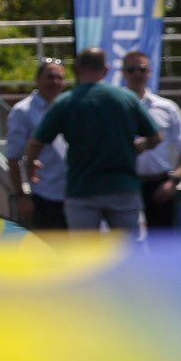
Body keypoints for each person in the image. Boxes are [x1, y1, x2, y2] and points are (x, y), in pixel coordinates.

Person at [20, 47, 163, 239]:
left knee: (85, 252)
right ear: (106, 69)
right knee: (131, 249)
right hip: (122, 187)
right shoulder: (126, 99)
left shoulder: (65, 102)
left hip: (82, 189)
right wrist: (136, 148)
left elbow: (36, 142)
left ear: (77, 69)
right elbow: (156, 138)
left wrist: (30, 166)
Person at [121, 49, 181, 230]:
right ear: (123, 73)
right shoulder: (114, 106)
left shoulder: (166, 107)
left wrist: (174, 181)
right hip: (125, 183)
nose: (137, 74)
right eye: (131, 70)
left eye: (142, 69)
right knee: (125, 242)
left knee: (162, 242)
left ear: (150, 72)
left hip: (159, 185)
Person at [3, 57, 69, 231]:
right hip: (43, 195)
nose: (55, 81)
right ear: (38, 80)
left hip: (72, 194)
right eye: (50, 76)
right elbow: (13, 156)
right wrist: (21, 196)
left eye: (59, 77)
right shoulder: (23, 111)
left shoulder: (67, 107)